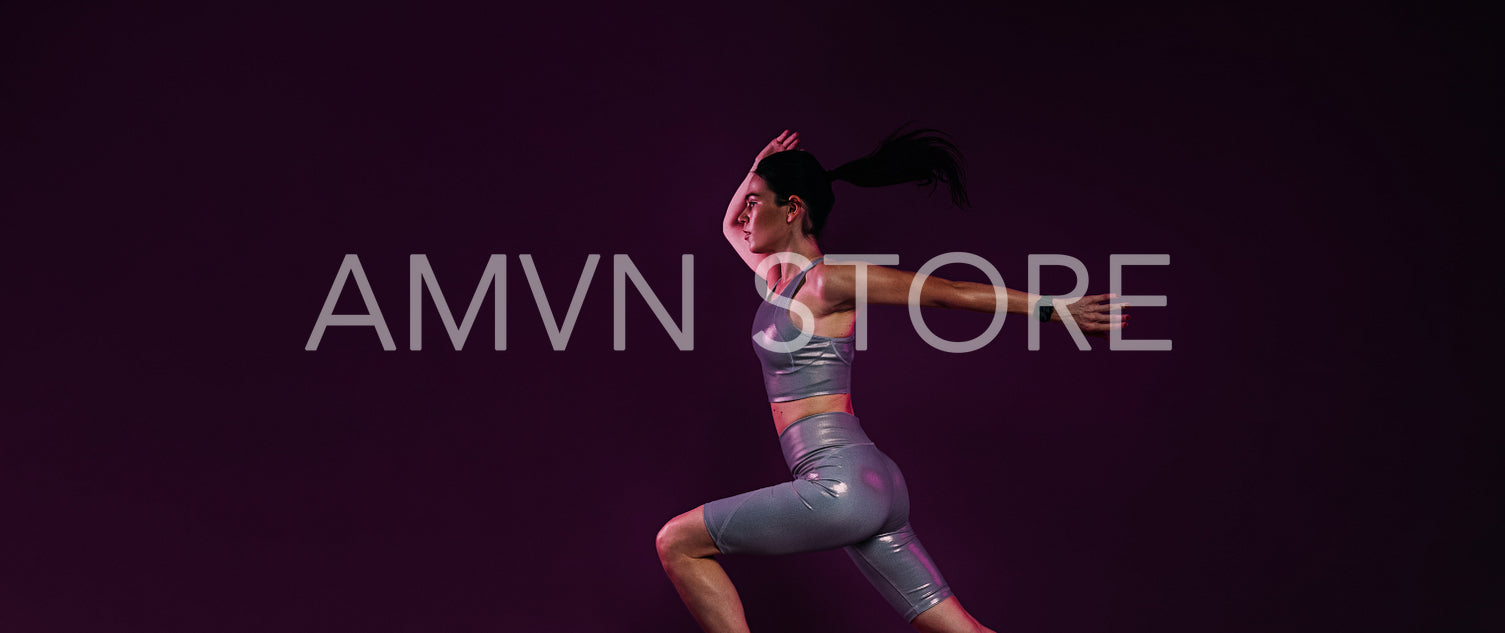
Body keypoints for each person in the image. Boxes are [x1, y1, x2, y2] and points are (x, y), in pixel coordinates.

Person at [655, 126, 1129, 633]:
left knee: (676, 542)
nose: (745, 217)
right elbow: (729, 227)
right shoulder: (778, 280)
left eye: (755, 204)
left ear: (792, 209)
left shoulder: (823, 281)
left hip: (839, 484)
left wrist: (1052, 309)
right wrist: (755, 172)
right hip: (869, 481)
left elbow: (945, 291)